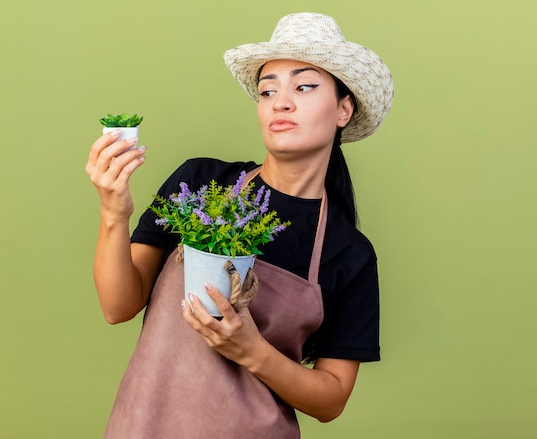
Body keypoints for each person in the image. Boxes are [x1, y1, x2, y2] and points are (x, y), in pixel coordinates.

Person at [85, 12, 393, 438]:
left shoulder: (348, 252)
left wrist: (250, 350)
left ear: (344, 108)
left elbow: (332, 399)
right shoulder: (200, 185)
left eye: (304, 86)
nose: (280, 102)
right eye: (268, 91)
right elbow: (118, 306)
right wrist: (113, 211)